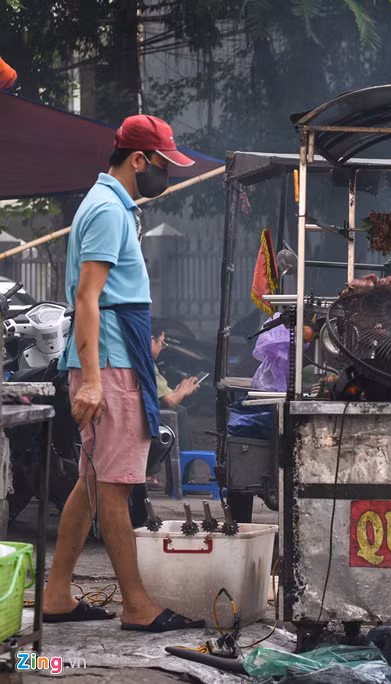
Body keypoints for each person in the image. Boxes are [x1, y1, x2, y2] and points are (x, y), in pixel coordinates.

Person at [42, 114, 205, 633]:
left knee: (91, 483)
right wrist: (91, 379)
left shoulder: (110, 206)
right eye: (164, 164)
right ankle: (137, 605)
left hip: (112, 358)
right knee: (114, 486)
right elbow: (87, 299)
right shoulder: (109, 210)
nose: (168, 175)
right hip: (108, 365)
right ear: (140, 160)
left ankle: (58, 594)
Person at [151, 323, 198, 453]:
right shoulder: (146, 362)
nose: (162, 347)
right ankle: (186, 470)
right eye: (161, 342)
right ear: (151, 340)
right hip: (141, 413)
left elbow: (163, 395)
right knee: (179, 412)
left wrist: (178, 392)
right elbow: (169, 401)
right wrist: (182, 391)